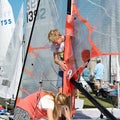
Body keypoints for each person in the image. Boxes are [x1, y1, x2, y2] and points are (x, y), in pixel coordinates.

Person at [48, 29, 67, 93]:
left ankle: (71, 102)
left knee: (72, 86)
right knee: (59, 85)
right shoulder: (54, 46)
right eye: (53, 42)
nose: (55, 44)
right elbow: (55, 59)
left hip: (71, 66)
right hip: (62, 67)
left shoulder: (67, 39)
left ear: (59, 36)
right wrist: (60, 62)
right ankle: (60, 100)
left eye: (55, 42)